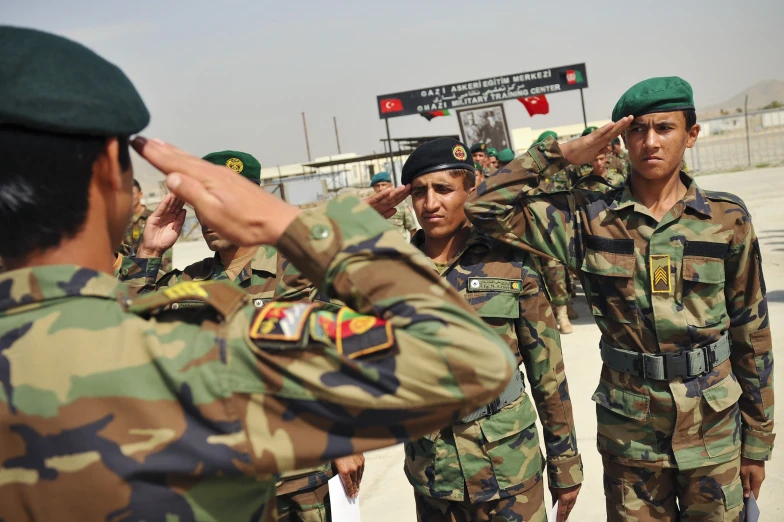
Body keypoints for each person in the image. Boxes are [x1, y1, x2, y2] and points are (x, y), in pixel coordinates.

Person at [0, 26, 520, 521]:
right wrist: (300, 225)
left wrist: (144, 257)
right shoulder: (209, 362)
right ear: (109, 172)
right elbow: (469, 361)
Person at [466, 76, 774, 521]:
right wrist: (562, 153)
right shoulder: (587, 218)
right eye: (637, 130)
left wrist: (758, 439)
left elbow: (752, 331)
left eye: (664, 128)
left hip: (713, 426)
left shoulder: (727, 219)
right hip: (632, 432)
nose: (650, 141)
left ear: (691, 134)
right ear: (621, 138)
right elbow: (482, 206)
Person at [401, 138, 583, 522]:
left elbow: (547, 372)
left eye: (443, 189)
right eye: (419, 192)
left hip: (508, 465)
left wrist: (565, 461)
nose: (430, 203)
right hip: (434, 473)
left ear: (471, 190)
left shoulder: (510, 261)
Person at [124, 178, 174, 271]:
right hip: (131, 277)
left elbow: (164, 251)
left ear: (140, 194)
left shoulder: (154, 219)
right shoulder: (123, 222)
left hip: (154, 273)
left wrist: (164, 278)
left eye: (132, 193)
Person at [370, 171, 418, 240]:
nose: (380, 188)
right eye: (377, 186)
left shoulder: (401, 205)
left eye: (383, 185)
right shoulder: (370, 208)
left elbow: (412, 229)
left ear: (391, 186)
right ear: (374, 188)